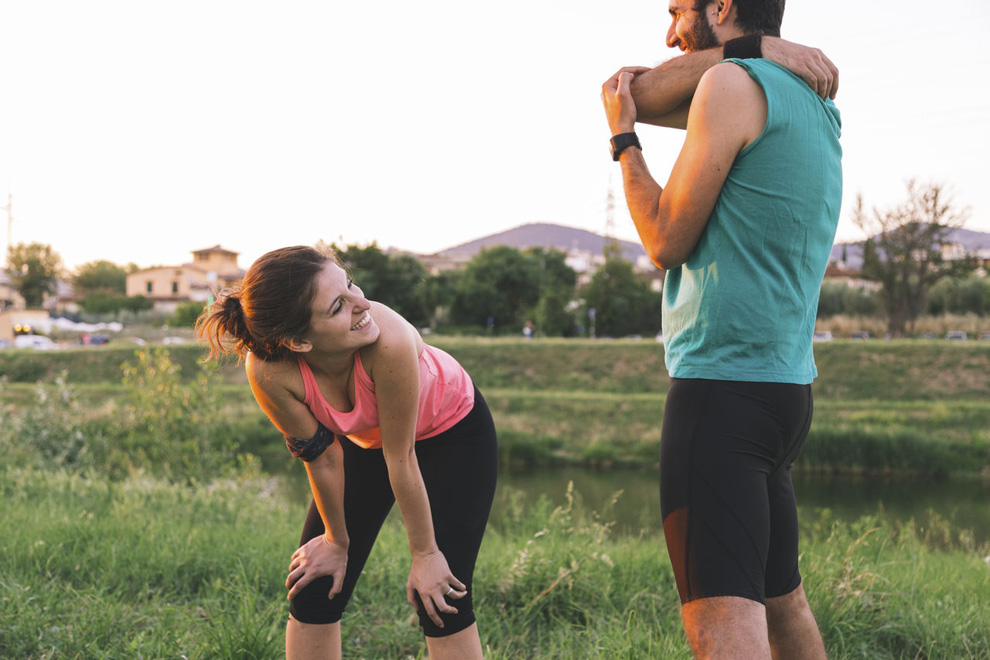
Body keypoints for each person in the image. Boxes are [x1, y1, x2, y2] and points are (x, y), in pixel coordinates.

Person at [601, 1, 841, 658]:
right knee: (780, 601)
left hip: (719, 389)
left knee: (721, 628)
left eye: (679, 9)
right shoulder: (808, 95)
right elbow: (632, 87)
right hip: (783, 392)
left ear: (723, 6)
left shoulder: (731, 87)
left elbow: (665, 240)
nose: (670, 30)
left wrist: (625, 145)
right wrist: (757, 49)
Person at [197, 246, 497, 660]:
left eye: (351, 284)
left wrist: (425, 555)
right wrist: (336, 540)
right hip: (369, 444)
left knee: (442, 597)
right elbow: (323, 456)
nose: (363, 304)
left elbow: (402, 457)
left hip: (454, 434)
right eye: (339, 305)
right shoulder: (269, 372)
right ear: (299, 341)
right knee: (313, 587)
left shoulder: (386, 339)